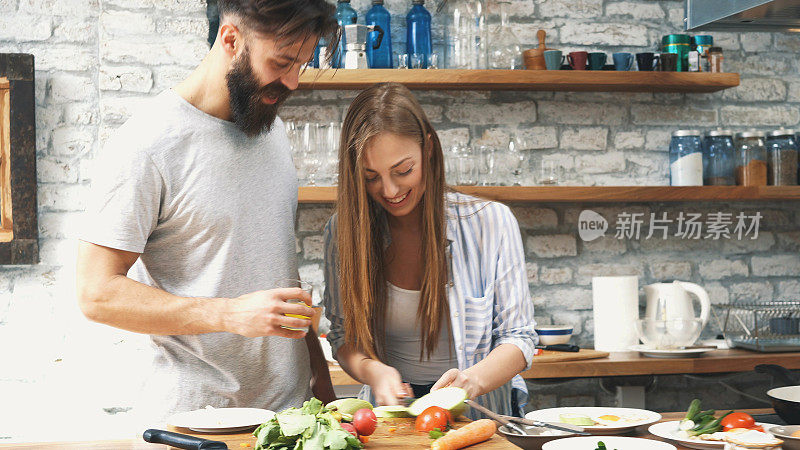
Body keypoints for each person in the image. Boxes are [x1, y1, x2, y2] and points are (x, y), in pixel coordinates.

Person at [76, 0, 339, 422]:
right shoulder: (146, 146)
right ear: (231, 39)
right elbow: (96, 294)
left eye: (302, 65)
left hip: (291, 419)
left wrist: (321, 388)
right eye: (283, 62)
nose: (292, 82)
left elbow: (276, 273)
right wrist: (229, 313)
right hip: (194, 423)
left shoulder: (272, 131)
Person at [322, 83, 537, 418]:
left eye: (403, 170)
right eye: (371, 177)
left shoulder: (492, 223)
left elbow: (519, 338)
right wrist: (374, 371)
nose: (390, 190)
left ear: (429, 149)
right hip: (391, 419)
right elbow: (343, 336)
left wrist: (470, 382)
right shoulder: (343, 233)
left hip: (478, 413)